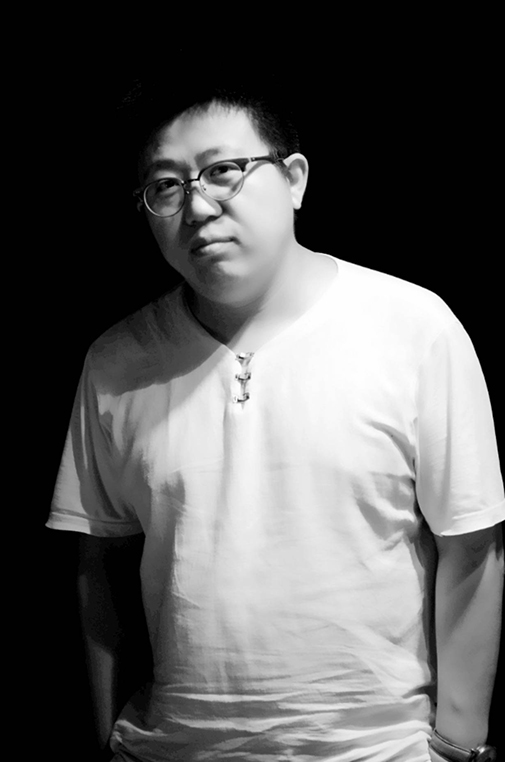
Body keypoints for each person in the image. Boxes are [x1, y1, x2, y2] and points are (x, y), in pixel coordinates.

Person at [47, 77, 504, 761]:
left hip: (377, 750)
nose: (197, 205)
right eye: (166, 186)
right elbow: (97, 564)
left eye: (222, 171)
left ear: (293, 179)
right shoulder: (117, 361)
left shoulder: (412, 327)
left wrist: (459, 744)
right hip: (170, 748)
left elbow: (470, 543)